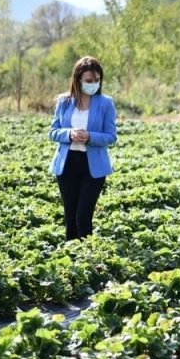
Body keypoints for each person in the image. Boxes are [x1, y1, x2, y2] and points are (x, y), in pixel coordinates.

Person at [49, 56, 117, 240]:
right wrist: (69, 134)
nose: (93, 84)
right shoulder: (64, 102)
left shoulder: (105, 103)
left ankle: (86, 257)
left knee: (83, 217)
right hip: (67, 163)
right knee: (70, 218)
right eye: (88, 81)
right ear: (78, 79)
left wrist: (90, 137)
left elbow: (111, 136)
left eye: (97, 80)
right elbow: (53, 132)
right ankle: (71, 259)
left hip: (93, 167)